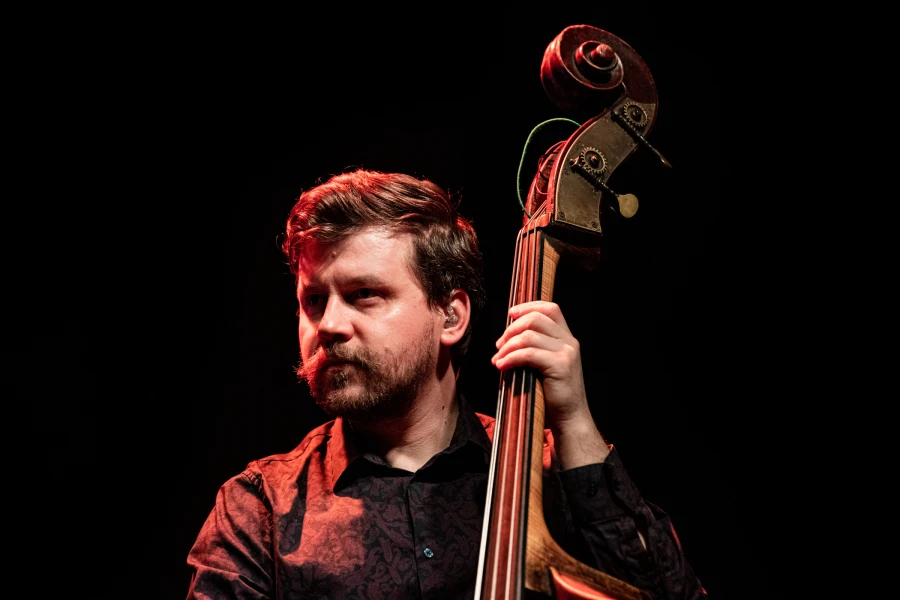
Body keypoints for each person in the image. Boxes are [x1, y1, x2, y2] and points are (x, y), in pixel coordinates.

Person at [185, 169, 706, 599]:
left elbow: (667, 592)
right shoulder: (259, 509)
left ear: (451, 316)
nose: (329, 325)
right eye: (314, 300)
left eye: (364, 294)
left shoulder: (551, 477)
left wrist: (573, 422)